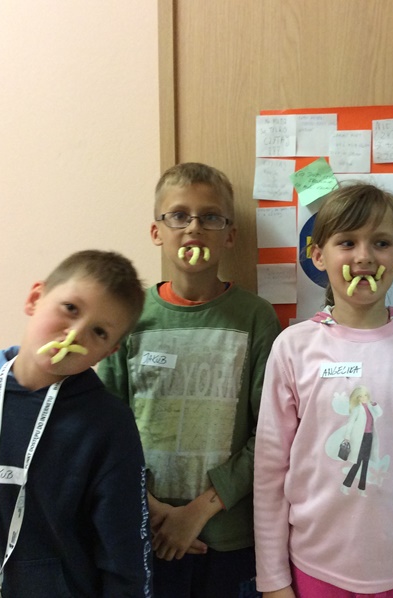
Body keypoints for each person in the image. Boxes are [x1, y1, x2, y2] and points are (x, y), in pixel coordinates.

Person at [254, 183, 393, 598]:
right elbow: (269, 473)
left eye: (381, 243)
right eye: (347, 242)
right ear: (318, 255)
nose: (364, 257)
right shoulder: (293, 347)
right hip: (315, 570)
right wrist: (273, 579)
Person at [0, 250, 153, 597]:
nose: (74, 335)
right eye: (70, 309)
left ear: (109, 351)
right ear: (35, 298)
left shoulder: (109, 424)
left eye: (98, 332)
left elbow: (124, 552)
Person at [98, 162, 281, 598]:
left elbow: (270, 433)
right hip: (143, 530)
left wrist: (198, 511)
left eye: (210, 217)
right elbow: (103, 428)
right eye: (179, 216)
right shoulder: (130, 317)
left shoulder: (255, 317)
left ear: (230, 235)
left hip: (227, 537)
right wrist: (150, 508)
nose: (194, 228)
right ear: (157, 231)